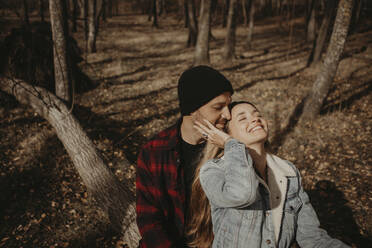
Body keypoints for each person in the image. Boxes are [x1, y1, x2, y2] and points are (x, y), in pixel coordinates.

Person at [186, 101, 350, 248]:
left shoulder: (288, 173)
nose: (255, 119)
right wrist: (231, 145)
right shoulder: (214, 170)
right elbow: (242, 194)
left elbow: (313, 238)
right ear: (226, 134)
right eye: (243, 118)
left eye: (258, 115)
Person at [136, 65, 234, 247]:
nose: (228, 115)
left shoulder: (230, 149)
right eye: (218, 107)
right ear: (192, 109)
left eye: (228, 105)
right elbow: (148, 219)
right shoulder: (154, 152)